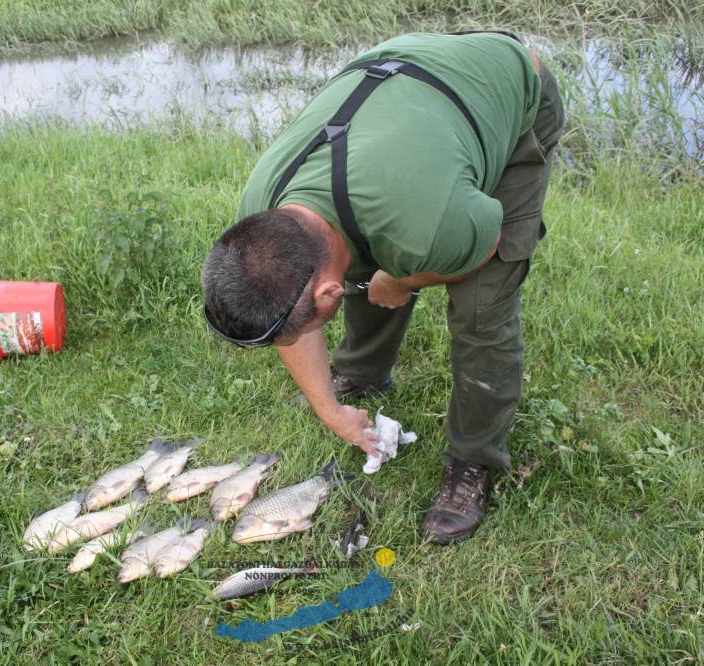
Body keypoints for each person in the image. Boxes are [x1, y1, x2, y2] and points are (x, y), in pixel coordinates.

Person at [201, 31, 565, 544]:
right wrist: (330, 410)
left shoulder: (429, 223)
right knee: (359, 255)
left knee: (481, 307)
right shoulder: (262, 219)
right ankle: (361, 374)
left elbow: (484, 241)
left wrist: (402, 279)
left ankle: (473, 462)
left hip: (509, 85)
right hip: (406, 93)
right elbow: (298, 304)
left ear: (329, 295)